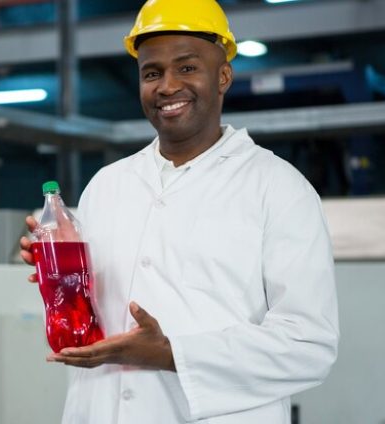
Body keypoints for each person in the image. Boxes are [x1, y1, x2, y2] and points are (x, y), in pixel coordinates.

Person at [19, 0, 339, 422]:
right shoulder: (107, 185)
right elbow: (92, 304)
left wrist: (173, 354)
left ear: (223, 75)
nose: (167, 86)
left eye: (187, 68)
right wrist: (59, 273)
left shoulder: (278, 188)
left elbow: (308, 346)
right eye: (151, 73)